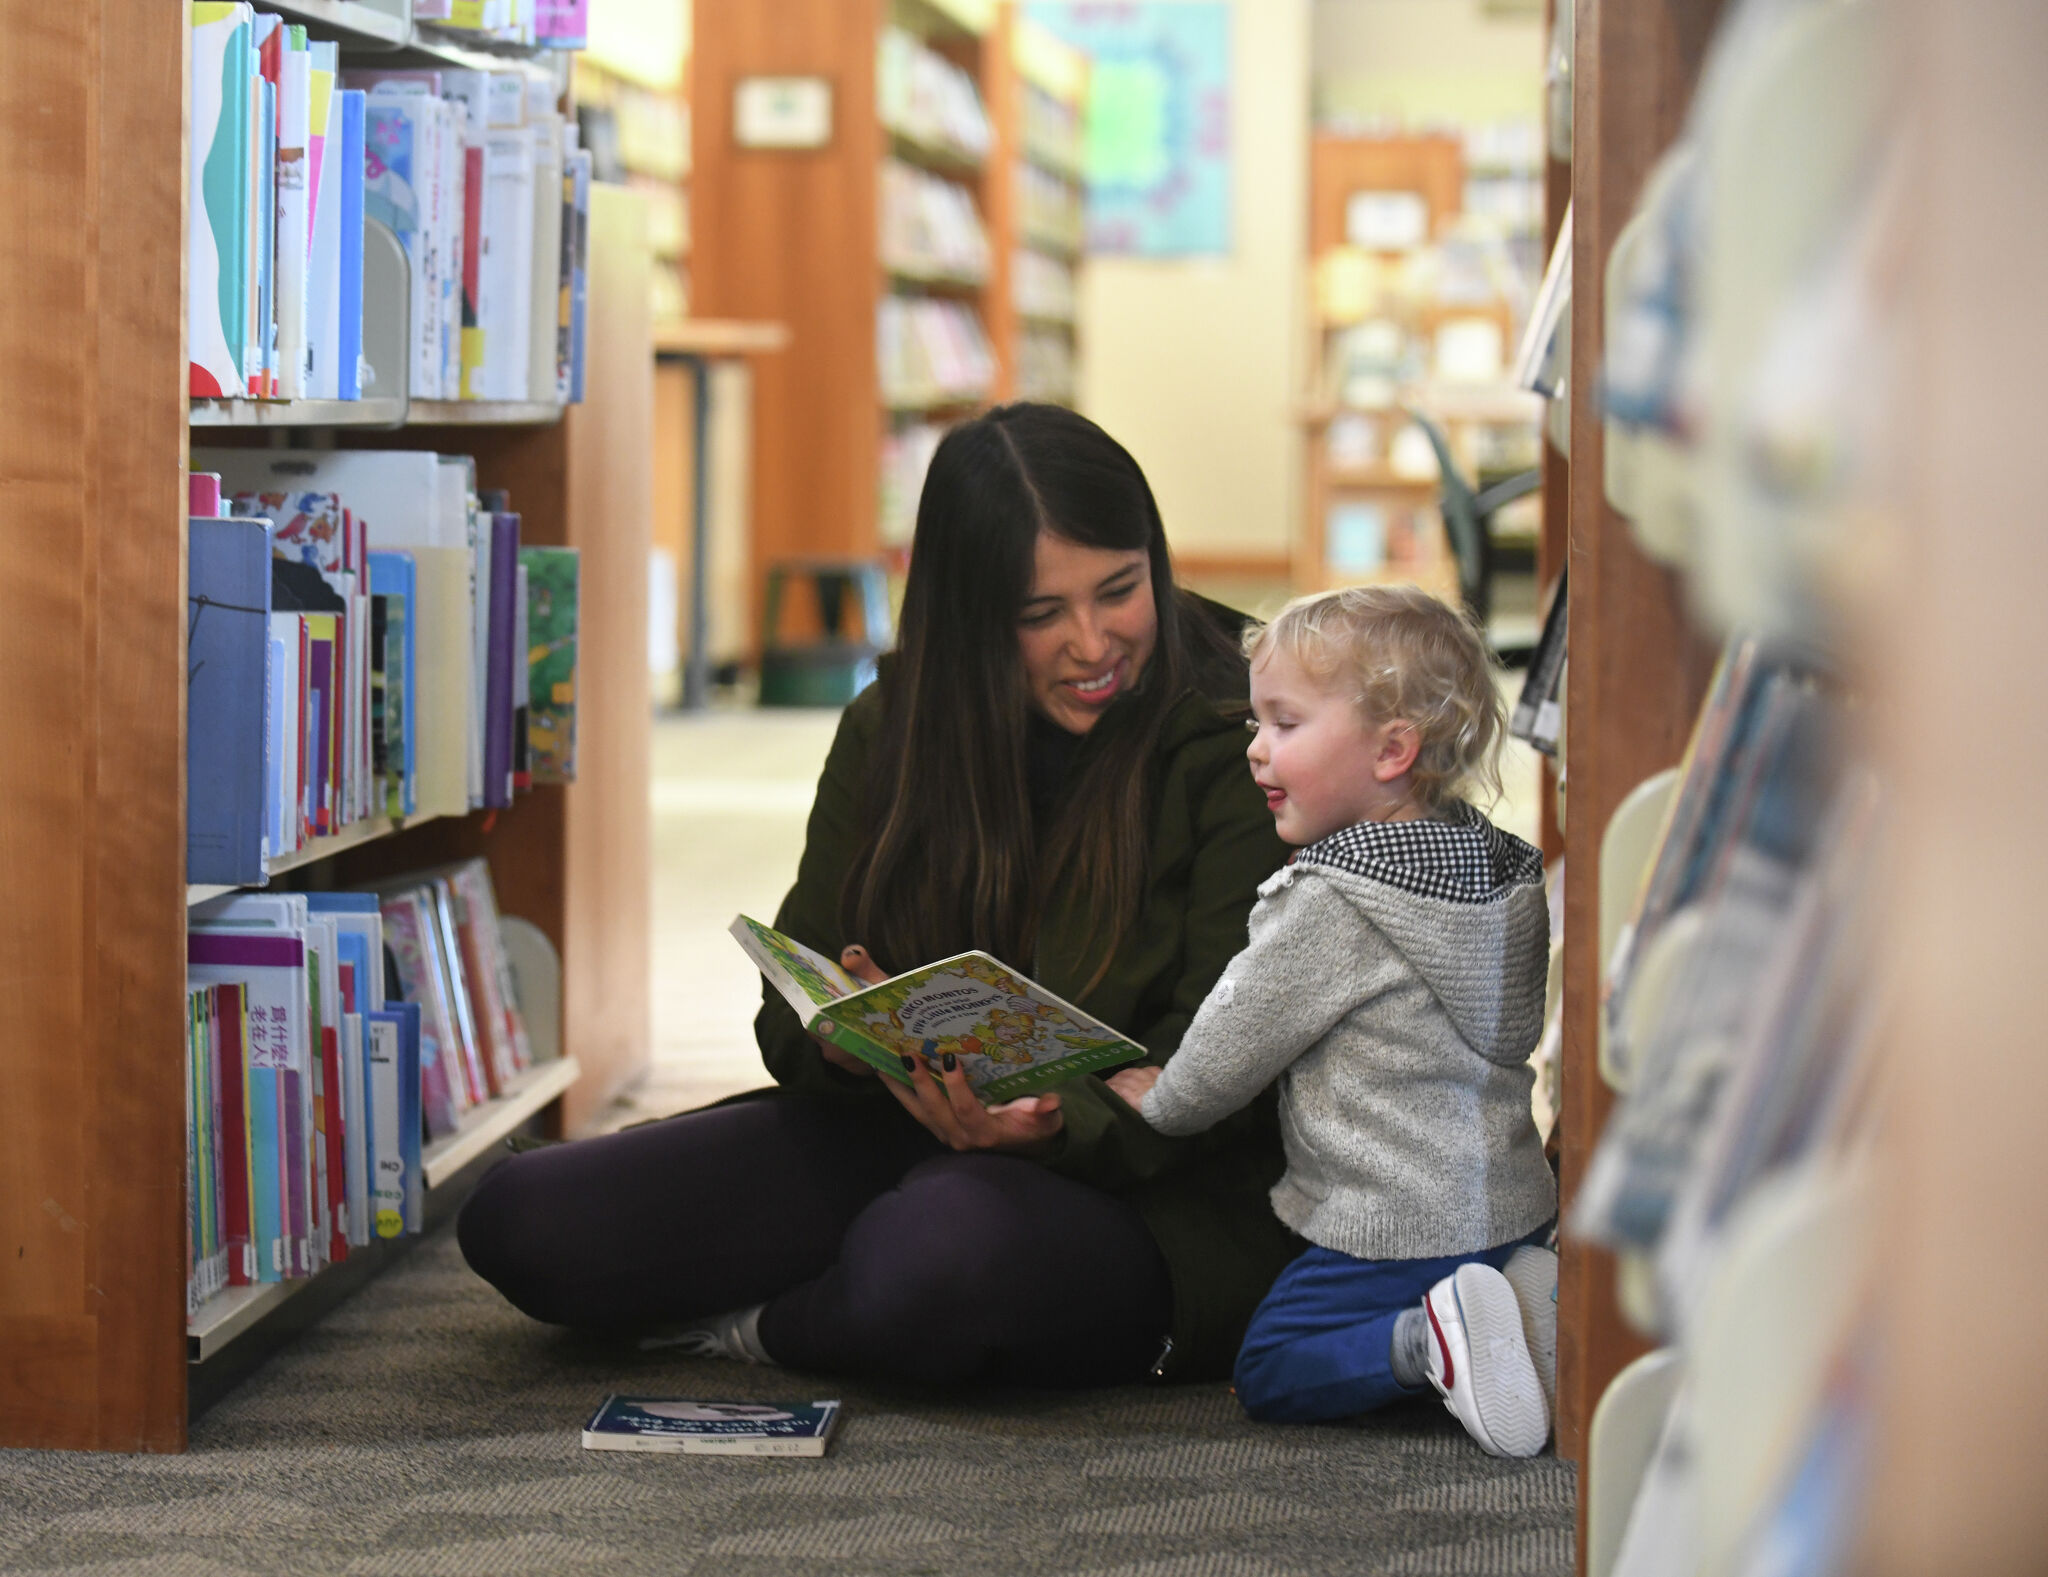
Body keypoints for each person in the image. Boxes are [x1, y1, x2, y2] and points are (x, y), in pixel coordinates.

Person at [458, 403, 1299, 1388]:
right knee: (525, 1217)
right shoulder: (896, 719)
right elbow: (802, 971)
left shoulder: (1242, 726)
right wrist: (838, 1036)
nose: (1092, 641)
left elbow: (1230, 1054)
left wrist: (1058, 1121)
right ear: (971, 613)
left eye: (1120, 589)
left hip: (1152, 1187)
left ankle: (775, 1322)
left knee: (937, 1257)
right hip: (896, 1134)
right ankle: (860, 1287)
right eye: (1039, 614)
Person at [1105, 585, 1561, 1456]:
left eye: (1284, 724)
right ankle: (1513, 1285)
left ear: (1393, 748)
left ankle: (1427, 1341)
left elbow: (1233, 1037)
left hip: (1391, 1229)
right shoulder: (1501, 870)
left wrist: (1161, 1100)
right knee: (1472, 1266)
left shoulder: (1331, 897)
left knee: (1271, 1364)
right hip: (1513, 1202)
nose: (1255, 749)